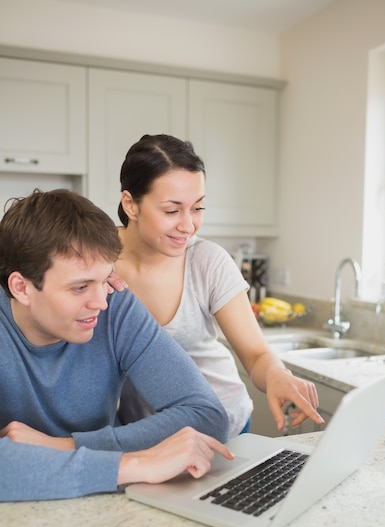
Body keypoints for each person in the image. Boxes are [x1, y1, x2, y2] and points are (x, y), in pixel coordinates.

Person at [0, 188, 233, 502]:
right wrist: (132, 465)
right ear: (21, 288)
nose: (101, 302)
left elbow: (206, 416)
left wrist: (65, 446)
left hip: (103, 508)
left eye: (105, 278)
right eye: (80, 286)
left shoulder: (116, 304)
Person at [113, 134, 324, 438]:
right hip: (143, 434)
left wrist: (277, 374)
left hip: (221, 423)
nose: (188, 225)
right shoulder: (95, 262)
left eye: (197, 208)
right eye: (172, 211)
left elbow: (255, 354)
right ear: (130, 204)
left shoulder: (208, 262)